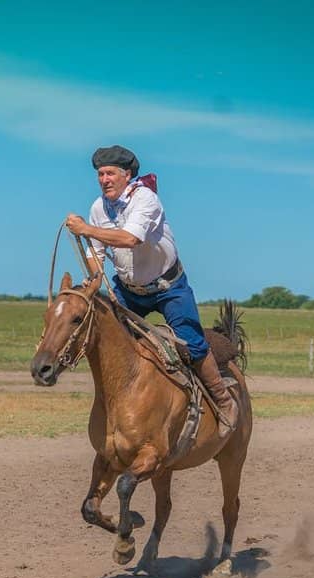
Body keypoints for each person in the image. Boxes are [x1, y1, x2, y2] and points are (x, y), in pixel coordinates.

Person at [64, 144, 238, 437]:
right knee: (112, 339)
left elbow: (131, 239)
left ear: (126, 175)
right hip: (129, 289)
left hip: (168, 287)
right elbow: (97, 253)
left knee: (192, 344)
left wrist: (86, 230)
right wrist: (95, 278)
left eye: (109, 174)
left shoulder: (145, 199)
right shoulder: (98, 209)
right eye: (100, 174)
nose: (104, 179)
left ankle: (223, 401)